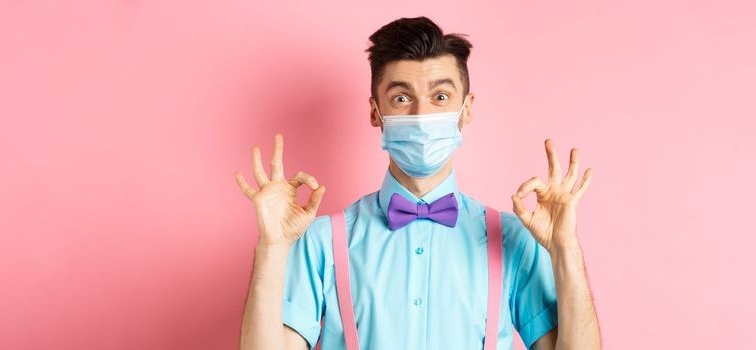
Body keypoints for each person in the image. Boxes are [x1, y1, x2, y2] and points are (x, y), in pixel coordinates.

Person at [235, 16, 601, 350]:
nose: (422, 115)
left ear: (467, 108)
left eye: (440, 97)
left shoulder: (513, 240)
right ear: (375, 112)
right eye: (401, 98)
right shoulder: (321, 242)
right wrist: (272, 247)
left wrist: (565, 248)